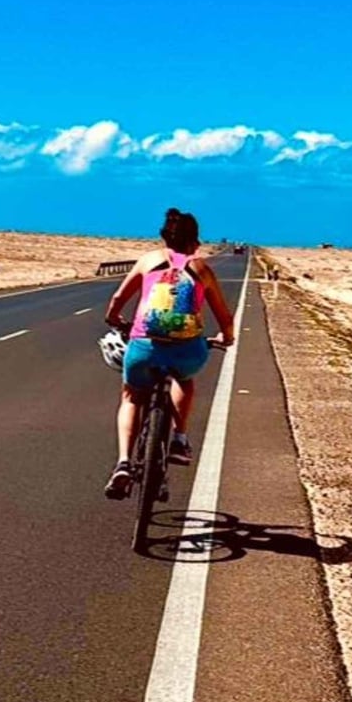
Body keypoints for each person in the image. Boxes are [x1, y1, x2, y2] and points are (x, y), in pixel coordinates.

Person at [101, 208, 235, 500]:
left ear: (165, 237)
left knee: (132, 397)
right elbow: (224, 315)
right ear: (195, 240)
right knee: (184, 380)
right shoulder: (201, 269)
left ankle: (123, 463)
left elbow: (118, 298)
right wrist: (227, 337)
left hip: (144, 345)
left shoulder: (148, 260)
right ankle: (179, 438)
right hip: (186, 349)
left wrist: (113, 318)